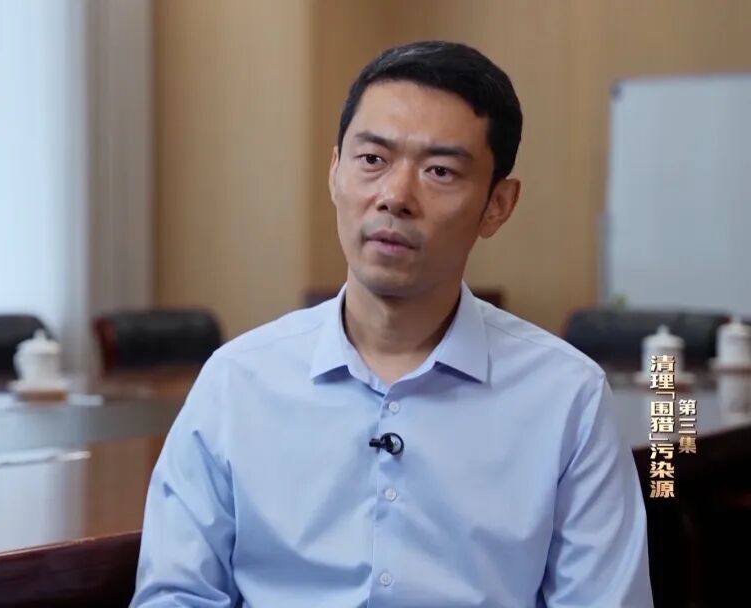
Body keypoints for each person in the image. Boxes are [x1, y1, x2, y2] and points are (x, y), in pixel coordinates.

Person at [130, 40, 652, 607]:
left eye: (440, 171)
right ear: (335, 171)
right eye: (372, 160)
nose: (395, 197)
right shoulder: (236, 381)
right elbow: (174, 594)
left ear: (498, 204)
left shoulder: (568, 397)